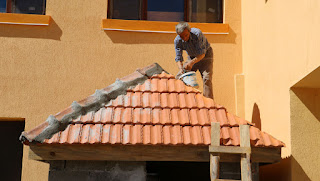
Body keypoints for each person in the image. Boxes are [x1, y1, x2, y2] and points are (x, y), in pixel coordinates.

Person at [174, 21, 214, 99]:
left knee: (207, 78)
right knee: (180, 76)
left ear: (189, 30)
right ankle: (182, 99)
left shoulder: (197, 34)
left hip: (206, 56)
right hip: (192, 57)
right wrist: (181, 68)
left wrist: (191, 63)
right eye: (182, 37)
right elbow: (178, 58)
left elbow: (202, 54)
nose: (184, 38)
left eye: (186, 35)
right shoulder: (177, 40)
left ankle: (209, 102)